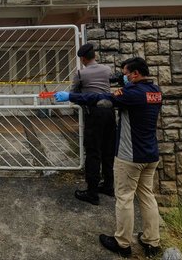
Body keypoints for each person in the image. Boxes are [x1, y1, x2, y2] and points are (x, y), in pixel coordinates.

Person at [55, 57, 162, 258]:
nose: (124, 77)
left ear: (135, 74)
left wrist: (70, 95)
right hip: (151, 154)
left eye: (126, 73)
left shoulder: (131, 93)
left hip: (130, 156)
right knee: (147, 197)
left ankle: (122, 243)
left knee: (124, 198)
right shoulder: (155, 92)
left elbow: (99, 98)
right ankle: (151, 241)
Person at [71, 43, 116, 205]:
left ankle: (92, 192)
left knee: (93, 152)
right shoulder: (107, 70)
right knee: (108, 151)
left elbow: (73, 93)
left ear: (83, 58)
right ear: (94, 56)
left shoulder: (80, 74)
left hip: (94, 114)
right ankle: (109, 186)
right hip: (110, 112)